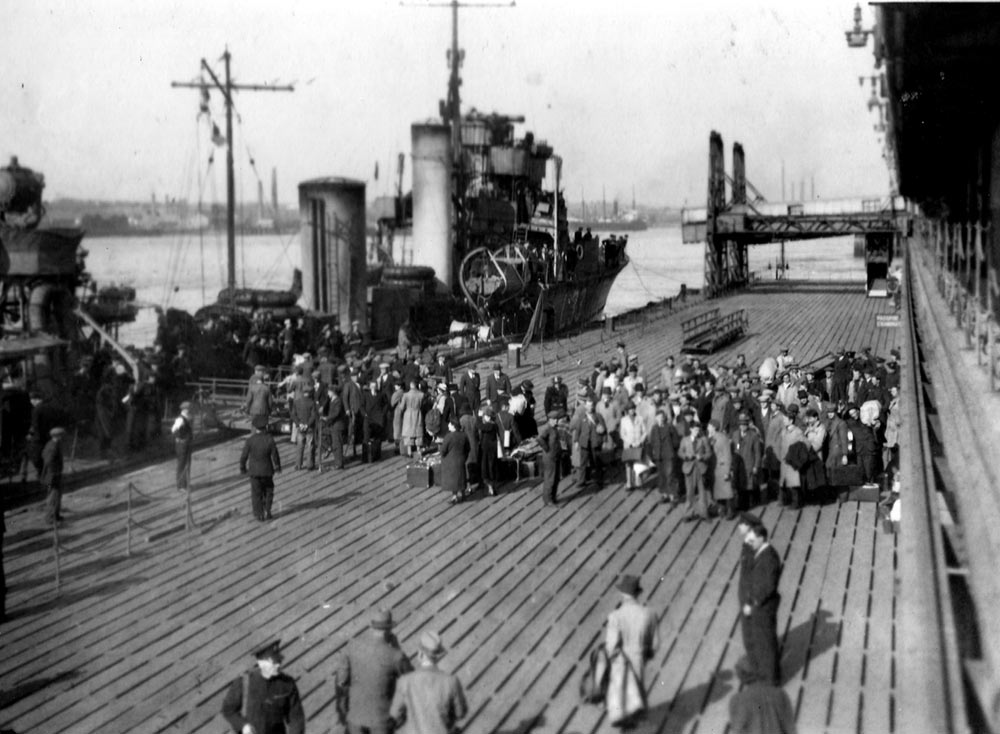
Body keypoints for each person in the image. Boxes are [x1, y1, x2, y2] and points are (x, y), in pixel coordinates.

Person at [335, 609, 413, 734]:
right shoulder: (395, 655)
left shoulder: (352, 646)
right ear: (389, 629)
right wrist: (397, 648)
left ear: (372, 626)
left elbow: (341, 680)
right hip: (382, 720)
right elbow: (411, 678)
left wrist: (344, 706)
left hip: (355, 717)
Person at [605, 574, 659, 729]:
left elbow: (612, 646)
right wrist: (646, 654)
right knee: (638, 695)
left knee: (622, 696)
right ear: (637, 593)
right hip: (639, 659)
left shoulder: (615, 616)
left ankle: (625, 725)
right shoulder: (649, 614)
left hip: (621, 661)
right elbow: (655, 643)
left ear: (623, 594)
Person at [389, 631, 467, 734]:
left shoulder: (405, 681)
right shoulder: (451, 681)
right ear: (438, 656)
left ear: (420, 653)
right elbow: (460, 713)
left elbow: (395, 714)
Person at [221, 640, 305, 734]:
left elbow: (296, 719)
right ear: (261, 663)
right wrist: (243, 725)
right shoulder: (244, 682)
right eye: (274, 662)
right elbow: (228, 710)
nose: (278, 665)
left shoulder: (287, 684)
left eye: (279, 660)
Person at [740, 524, 782, 685]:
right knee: (762, 641)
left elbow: (768, 585)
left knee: (766, 643)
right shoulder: (762, 552)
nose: (750, 543)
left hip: (764, 607)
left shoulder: (769, 558)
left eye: (752, 540)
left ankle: (770, 680)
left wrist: (753, 603)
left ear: (761, 538)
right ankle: (764, 674)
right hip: (760, 605)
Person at [728, 662, 797, 734]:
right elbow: (790, 727)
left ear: (741, 676)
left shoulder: (737, 700)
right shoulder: (779, 694)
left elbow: (737, 729)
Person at [239, 415, 282, 522]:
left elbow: (243, 457)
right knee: (269, 491)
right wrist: (277, 467)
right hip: (267, 472)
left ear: (255, 428)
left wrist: (243, 469)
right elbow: (275, 455)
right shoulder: (270, 439)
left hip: (254, 472)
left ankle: (259, 514)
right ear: (265, 427)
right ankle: (268, 511)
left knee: (256, 493)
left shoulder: (250, 441)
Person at [678, 421, 712, 522]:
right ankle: (688, 514)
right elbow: (680, 452)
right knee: (690, 492)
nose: (697, 432)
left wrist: (702, 457)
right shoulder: (685, 440)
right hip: (689, 468)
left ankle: (704, 513)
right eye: (695, 430)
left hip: (700, 468)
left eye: (699, 430)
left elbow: (709, 453)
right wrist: (686, 457)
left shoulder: (703, 440)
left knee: (702, 492)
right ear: (691, 429)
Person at [647, 409, 680, 505]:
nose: (660, 419)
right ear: (656, 418)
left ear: (665, 417)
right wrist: (652, 455)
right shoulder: (654, 429)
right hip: (658, 456)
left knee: (670, 475)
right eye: (658, 417)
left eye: (662, 417)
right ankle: (665, 494)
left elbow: (676, 441)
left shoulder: (670, 427)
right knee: (661, 476)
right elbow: (651, 442)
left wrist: (671, 449)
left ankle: (673, 496)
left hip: (669, 454)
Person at [572, 396, 606, 489]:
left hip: (595, 442)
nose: (590, 407)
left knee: (596, 462)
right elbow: (578, 429)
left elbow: (604, 429)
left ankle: (599, 480)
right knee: (583, 462)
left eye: (591, 406)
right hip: (585, 443)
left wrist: (602, 436)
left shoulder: (598, 416)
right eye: (588, 406)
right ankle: (581, 480)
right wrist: (576, 441)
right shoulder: (582, 417)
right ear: (585, 407)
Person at [731, 413, 763, 510]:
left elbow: (758, 453)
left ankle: (746, 505)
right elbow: (732, 449)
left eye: (745, 424)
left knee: (748, 485)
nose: (743, 427)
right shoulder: (735, 434)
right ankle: (740, 504)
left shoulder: (753, 436)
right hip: (737, 464)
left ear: (748, 425)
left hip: (749, 463)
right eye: (741, 425)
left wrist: (756, 466)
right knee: (738, 485)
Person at [707, 419, 736, 519]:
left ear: (714, 427)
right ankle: (722, 510)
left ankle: (730, 511)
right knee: (719, 491)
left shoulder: (722, 438)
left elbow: (728, 455)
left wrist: (727, 471)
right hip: (715, 468)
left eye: (709, 426)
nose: (707, 428)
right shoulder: (711, 438)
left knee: (727, 491)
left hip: (723, 467)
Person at [441, 416, 471, 505]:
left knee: (453, 480)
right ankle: (462, 494)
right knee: (461, 477)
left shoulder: (448, 437)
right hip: (461, 459)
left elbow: (443, 451)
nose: (448, 425)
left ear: (453, 425)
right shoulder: (463, 435)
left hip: (450, 462)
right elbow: (468, 448)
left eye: (450, 424)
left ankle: (454, 496)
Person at [537, 412, 564, 506]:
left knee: (556, 478)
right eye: (554, 419)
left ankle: (553, 497)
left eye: (557, 419)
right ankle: (548, 499)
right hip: (549, 457)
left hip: (555, 456)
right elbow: (540, 439)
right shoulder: (547, 428)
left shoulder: (554, 428)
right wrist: (547, 448)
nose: (556, 421)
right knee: (550, 478)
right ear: (549, 420)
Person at [619, 402, 647, 490]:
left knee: (638, 463)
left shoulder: (640, 418)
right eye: (630, 409)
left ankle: (638, 482)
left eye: (633, 409)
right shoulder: (624, 420)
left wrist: (640, 441)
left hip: (638, 444)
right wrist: (629, 442)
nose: (632, 411)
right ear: (627, 411)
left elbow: (645, 431)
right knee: (628, 464)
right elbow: (622, 434)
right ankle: (629, 483)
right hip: (628, 445)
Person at [42, 427, 66, 524]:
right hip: (53, 476)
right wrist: (54, 473)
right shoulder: (53, 446)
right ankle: (50, 517)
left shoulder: (54, 444)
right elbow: (48, 460)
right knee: (53, 497)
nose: (62, 438)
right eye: (61, 436)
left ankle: (56, 515)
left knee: (57, 496)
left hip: (55, 475)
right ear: (58, 436)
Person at [171, 401, 193, 493]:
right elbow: (174, 430)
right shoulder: (180, 419)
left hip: (187, 444)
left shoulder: (187, 418)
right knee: (182, 465)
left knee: (187, 464)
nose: (190, 410)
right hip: (182, 445)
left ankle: (185, 483)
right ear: (184, 410)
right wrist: (180, 438)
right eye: (188, 408)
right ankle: (180, 486)